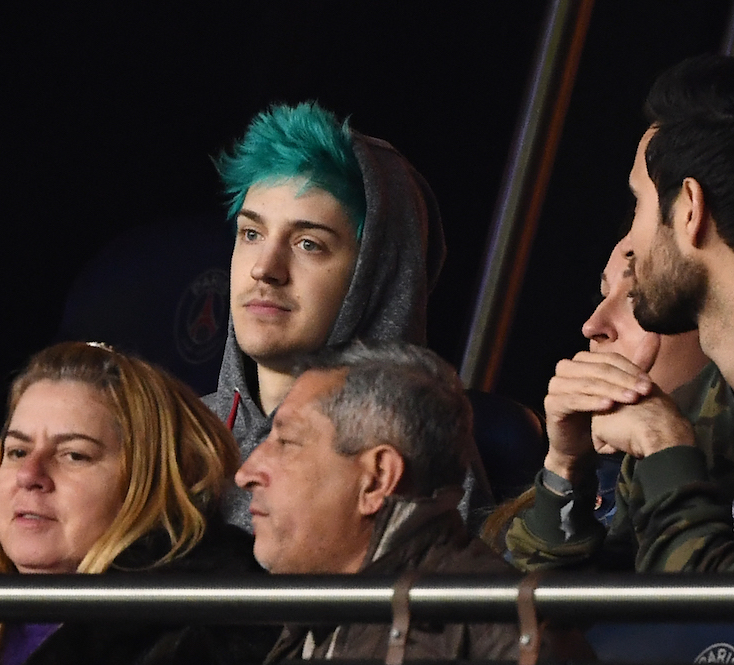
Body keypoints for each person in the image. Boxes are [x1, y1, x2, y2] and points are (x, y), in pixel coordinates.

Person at [507, 54, 734, 574]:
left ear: (688, 210)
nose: (631, 245)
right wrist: (567, 468)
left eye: (637, 204)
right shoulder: (689, 411)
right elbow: (567, 631)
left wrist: (664, 449)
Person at [0, 342, 275, 665]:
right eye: (17, 451)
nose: (30, 475)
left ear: (150, 485)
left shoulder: (198, 635)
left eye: (74, 455)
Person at [234, 340, 592, 662]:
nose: (245, 473)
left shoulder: (512, 640)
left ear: (376, 478)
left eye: (286, 442)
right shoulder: (310, 625)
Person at [202, 102, 448, 531]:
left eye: (308, 244)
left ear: (378, 278)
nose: (265, 268)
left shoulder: (426, 470)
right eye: (252, 233)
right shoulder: (168, 440)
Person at [481, 237, 708, 551]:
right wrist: (564, 468)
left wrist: (660, 442)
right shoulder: (576, 479)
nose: (592, 326)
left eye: (636, 298)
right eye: (602, 295)